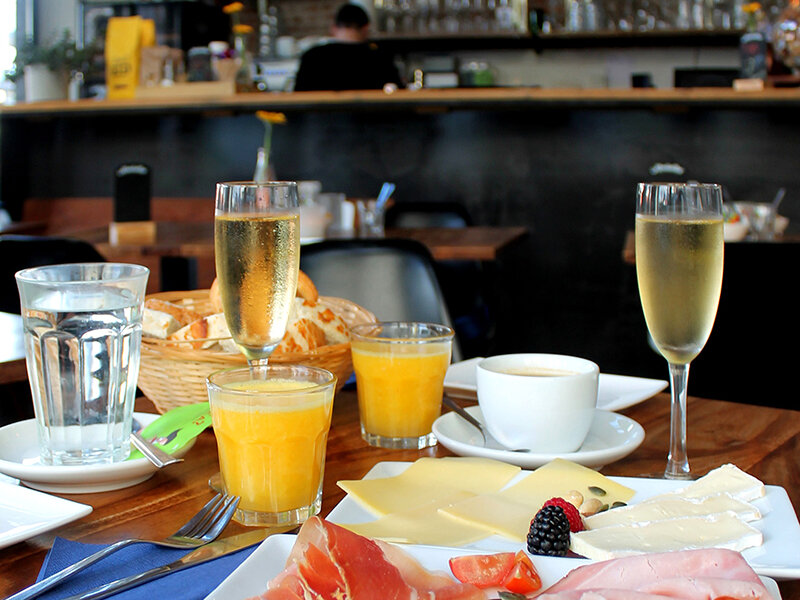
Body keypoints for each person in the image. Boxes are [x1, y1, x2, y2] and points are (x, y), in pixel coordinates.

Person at [293, 3, 404, 92]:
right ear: (366, 29)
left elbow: (296, 101)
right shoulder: (381, 57)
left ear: (333, 28)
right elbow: (400, 96)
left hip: (319, 120)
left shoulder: (312, 56)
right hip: (371, 119)